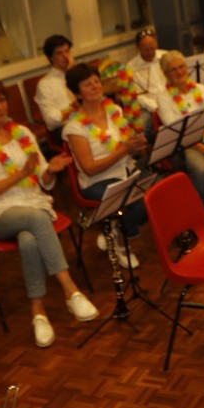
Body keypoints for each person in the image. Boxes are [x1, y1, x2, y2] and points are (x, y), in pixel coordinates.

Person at [0, 79, 99, 348]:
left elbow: (43, 181)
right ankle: (71, 290)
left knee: (29, 239)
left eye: (2, 100)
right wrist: (20, 174)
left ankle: (38, 312)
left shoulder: (22, 133)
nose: (0, 107)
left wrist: (51, 171)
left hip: (33, 202)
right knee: (36, 219)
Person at [62, 62, 148, 270]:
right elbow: (89, 168)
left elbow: (127, 148)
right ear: (77, 93)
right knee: (129, 198)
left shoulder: (114, 110)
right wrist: (124, 150)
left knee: (154, 189)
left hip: (125, 171)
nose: (95, 86)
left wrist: (136, 146)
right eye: (87, 84)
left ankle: (114, 228)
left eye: (96, 81)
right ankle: (121, 243)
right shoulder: (75, 127)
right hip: (97, 181)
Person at [153, 50, 204, 204]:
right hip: (184, 148)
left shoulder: (201, 89)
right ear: (166, 74)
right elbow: (177, 133)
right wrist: (203, 149)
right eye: (173, 69)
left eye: (181, 67)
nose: (179, 72)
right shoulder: (163, 98)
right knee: (203, 170)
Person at [33, 35, 76, 141]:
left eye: (67, 51)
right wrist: (72, 110)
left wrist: (73, 73)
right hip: (64, 127)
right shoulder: (45, 84)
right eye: (59, 53)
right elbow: (50, 120)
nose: (65, 56)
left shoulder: (80, 75)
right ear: (50, 58)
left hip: (86, 119)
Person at [124, 27, 167, 111]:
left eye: (152, 48)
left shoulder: (165, 56)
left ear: (156, 44)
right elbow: (136, 95)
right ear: (138, 48)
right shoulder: (130, 67)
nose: (150, 52)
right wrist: (154, 107)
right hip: (150, 108)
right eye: (146, 50)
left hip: (172, 101)